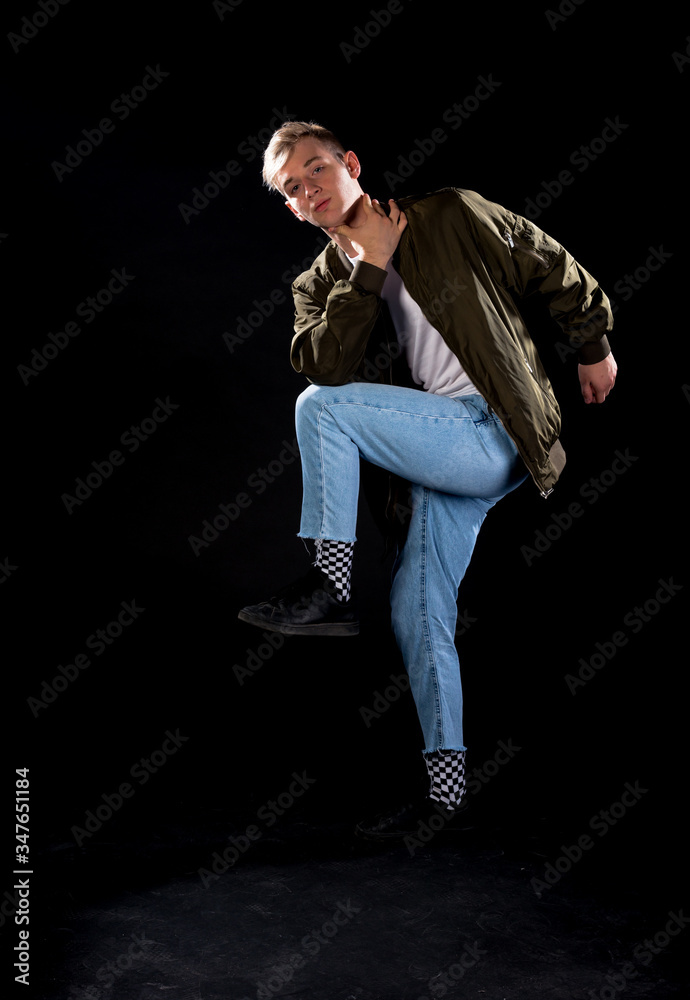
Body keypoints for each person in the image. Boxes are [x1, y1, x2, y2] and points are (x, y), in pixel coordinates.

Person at [237, 121, 617, 838]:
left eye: (317, 169)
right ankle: (446, 793)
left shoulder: (448, 213)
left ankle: (329, 585)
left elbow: (546, 259)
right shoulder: (317, 284)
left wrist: (593, 344)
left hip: (493, 427)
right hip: (441, 450)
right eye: (292, 187)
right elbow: (325, 363)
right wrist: (370, 267)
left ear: (350, 164)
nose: (310, 189)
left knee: (320, 410)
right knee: (417, 610)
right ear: (290, 208)